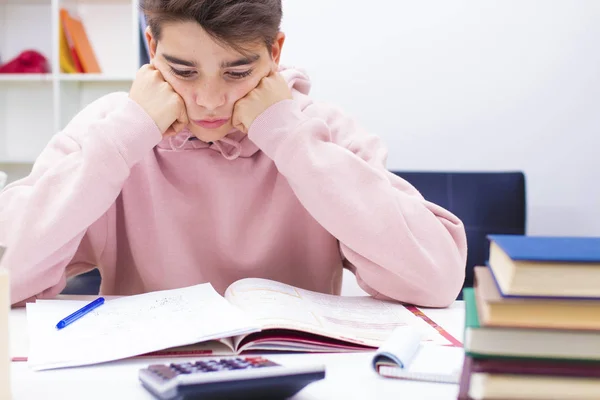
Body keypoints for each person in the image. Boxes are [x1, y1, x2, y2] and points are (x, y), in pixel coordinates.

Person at [0, 0, 467, 308]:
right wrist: (125, 139)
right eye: (183, 70)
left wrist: (288, 138)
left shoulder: (320, 130)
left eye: (237, 72)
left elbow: (436, 280)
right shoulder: (108, 132)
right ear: (151, 48)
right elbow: (8, 276)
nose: (208, 100)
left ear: (275, 53)